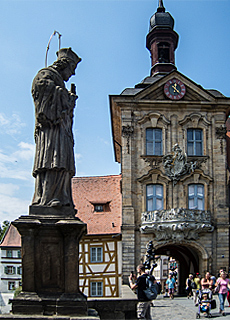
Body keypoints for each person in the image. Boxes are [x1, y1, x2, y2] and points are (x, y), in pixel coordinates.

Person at [31, 47, 81, 209]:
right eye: (72, 69)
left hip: (62, 131)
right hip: (51, 132)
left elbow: (64, 109)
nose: (72, 74)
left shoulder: (56, 80)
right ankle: (48, 197)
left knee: (63, 162)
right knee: (53, 160)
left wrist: (70, 101)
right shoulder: (46, 75)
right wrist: (64, 96)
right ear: (64, 65)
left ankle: (61, 197)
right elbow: (44, 105)